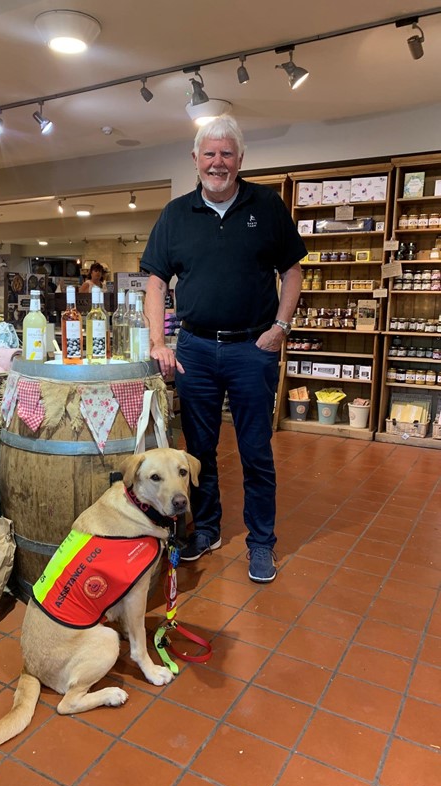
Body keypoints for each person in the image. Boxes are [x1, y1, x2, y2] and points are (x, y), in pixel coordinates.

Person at [142, 115, 306, 583]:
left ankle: (260, 543)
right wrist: (159, 341)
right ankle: (207, 528)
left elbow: (292, 270)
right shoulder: (175, 215)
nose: (218, 162)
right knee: (199, 452)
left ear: (240, 160)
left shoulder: (267, 205)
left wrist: (280, 326)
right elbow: (155, 281)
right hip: (194, 348)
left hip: (252, 348)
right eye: (209, 154)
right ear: (195, 160)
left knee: (256, 451)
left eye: (226, 154)